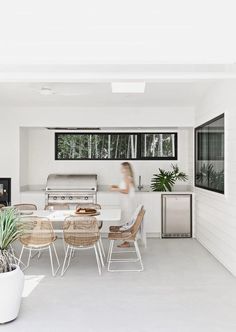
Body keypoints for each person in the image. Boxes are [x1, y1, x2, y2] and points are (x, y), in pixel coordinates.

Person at [111, 162, 136, 248]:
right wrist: (116, 186)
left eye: (122, 168)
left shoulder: (128, 178)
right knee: (124, 222)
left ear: (125, 169)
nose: (120, 169)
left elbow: (126, 191)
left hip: (127, 204)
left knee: (126, 222)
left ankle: (126, 242)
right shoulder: (126, 177)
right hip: (124, 203)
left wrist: (116, 189)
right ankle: (126, 241)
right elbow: (124, 187)